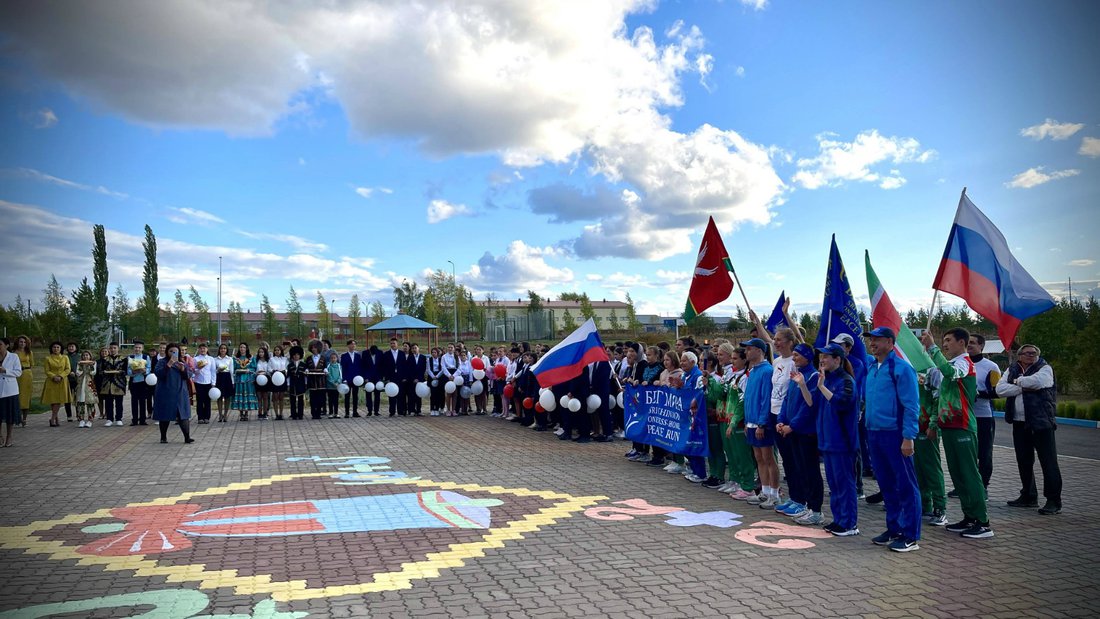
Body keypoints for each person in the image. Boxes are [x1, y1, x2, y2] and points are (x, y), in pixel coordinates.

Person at [921, 327, 992, 539]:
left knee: (969, 474)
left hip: (963, 426)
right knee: (958, 476)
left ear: (962, 343)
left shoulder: (965, 363)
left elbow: (950, 373)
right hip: (948, 426)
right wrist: (934, 423)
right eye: (943, 340)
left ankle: (983, 522)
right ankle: (969, 517)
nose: (944, 344)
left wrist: (932, 348)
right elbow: (939, 396)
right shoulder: (950, 364)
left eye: (949, 340)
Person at [863, 327, 922, 552]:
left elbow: (911, 405)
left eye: (877, 340)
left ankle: (910, 535)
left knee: (906, 485)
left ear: (890, 342)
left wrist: (908, 437)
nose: (873, 343)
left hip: (895, 433)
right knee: (886, 485)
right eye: (871, 339)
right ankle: (894, 528)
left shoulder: (901, 368)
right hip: (874, 432)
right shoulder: (872, 367)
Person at [996, 343, 1062, 515]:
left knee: (1048, 462)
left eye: (1034, 353)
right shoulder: (1012, 369)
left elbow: (1039, 382)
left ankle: (1054, 500)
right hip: (1019, 422)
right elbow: (1000, 389)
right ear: (1020, 356)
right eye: (1027, 353)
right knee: (1024, 461)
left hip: (1041, 422)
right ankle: (1028, 495)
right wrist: (1024, 387)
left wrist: (1017, 382)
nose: (1031, 355)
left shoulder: (1044, 368)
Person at [815, 342, 860, 536]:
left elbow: (843, 402)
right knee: (834, 484)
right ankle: (838, 519)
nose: (822, 359)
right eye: (821, 356)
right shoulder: (826, 379)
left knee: (844, 483)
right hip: (828, 440)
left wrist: (822, 387)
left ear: (837, 359)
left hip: (842, 441)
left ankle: (849, 523)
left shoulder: (846, 380)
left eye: (826, 356)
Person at [777, 343, 824, 525]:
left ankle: (815, 508)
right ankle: (803, 503)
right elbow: (786, 399)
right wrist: (781, 420)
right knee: (797, 468)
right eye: (794, 354)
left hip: (806, 433)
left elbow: (808, 407)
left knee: (810, 471)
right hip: (792, 431)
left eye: (797, 355)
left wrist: (793, 426)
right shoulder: (796, 375)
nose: (794, 358)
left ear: (807, 357)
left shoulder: (812, 376)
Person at [741, 338, 778, 506]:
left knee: (768, 458)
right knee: (759, 458)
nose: (746, 352)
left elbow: (765, 399)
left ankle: (774, 494)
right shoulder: (753, 371)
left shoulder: (767, 371)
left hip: (762, 423)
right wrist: (747, 421)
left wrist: (762, 423)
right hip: (752, 422)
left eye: (749, 349)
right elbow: (749, 398)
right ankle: (765, 490)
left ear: (759, 351)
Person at [967, 333, 1001, 493]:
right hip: (963, 416)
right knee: (967, 453)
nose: (969, 345)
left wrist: (978, 394)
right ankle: (965, 485)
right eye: (967, 342)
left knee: (984, 453)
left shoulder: (991, 367)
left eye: (973, 343)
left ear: (981, 346)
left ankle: (982, 487)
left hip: (983, 416)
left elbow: (998, 391)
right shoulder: (959, 364)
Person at [915, 368, 948, 526]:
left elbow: (938, 398)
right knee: (918, 469)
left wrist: (933, 424)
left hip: (927, 427)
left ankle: (940, 508)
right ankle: (925, 505)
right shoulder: (910, 367)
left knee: (932, 469)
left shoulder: (933, 370)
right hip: (914, 426)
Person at [152, 343, 194, 444]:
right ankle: (163, 437)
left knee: (183, 415)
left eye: (175, 351)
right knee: (164, 415)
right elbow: (158, 373)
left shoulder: (182, 362)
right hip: (165, 392)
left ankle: (187, 437)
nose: (173, 353)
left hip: (180, 392)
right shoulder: (162, 362)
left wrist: (183, 369)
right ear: (167, 352)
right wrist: (168, 365)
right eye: (171, 351)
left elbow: (189, 375)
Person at [41, 342, 72, 427]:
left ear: (61, 349)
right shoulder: (48, 358)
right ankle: (56, 418)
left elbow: (68, 369)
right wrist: (54, 376)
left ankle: (52, 419)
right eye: (54, 347)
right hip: (51, 381)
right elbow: (47, 370)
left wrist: (61, 376)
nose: (56, 349)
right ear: (51, 348)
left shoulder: (65, 357)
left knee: (58, 400)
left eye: (58, 347)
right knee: (53, 400)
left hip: (62, 381)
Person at [0, 337, 24, 447]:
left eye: (0, 344)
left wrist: (5, 370)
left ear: (6, 345)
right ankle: (0, 436)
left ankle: (9, 436)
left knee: (9, 415)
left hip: (10, 390)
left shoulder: (13, 357)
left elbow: (18, 372)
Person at [100, 343, 127, 426]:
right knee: (108, 402)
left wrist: (121, 372)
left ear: (118, 349)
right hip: (108, 383)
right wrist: (104, 372)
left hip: (119, 383)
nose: (113, 350)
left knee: (119, 402)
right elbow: (101, 370)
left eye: (114, 348)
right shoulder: (105, 359)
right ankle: (109, 419)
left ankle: (119, 418)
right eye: (111, 348)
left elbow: (126, 371)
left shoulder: (123, 359)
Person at [125, 341, 151, 426]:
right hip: (134, 382)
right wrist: (133, 372)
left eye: (139, 347)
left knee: (143, 401)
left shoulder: (146, 357)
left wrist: (145, 371)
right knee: (134, 401)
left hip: (143, 382)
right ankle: (134, 420)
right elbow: (128, 370)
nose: (137, 349)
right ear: (134, 348)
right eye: (136, 347)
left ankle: (143, 419)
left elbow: (149, 368)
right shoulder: (130, 357)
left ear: (142, 348)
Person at [379, 338, 405, 417]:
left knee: (400, 394)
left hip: (400, 377)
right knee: (391, 394)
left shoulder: (402, 353)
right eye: (391, 343)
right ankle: (392, 411)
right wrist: (386, 378)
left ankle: (400, 411)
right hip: (391, 377)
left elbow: (405, 366)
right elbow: (384, 366)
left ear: (397, 344)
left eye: (394, 343)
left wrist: (404, 377)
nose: (392, 345)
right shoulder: (386, 354)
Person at [191, 343, 216, 424]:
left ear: (207, 349)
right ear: (198, 349)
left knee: (207, 401)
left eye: (204, 348)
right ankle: (200, 417)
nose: (202, 350)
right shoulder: (195, 359)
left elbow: (213, 371)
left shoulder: (211, 359)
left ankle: (207, 417)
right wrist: (199, 368)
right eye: (201, 348)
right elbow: (193, 371)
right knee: (200, 400)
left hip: (208, 382)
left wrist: (213, 383)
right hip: (198, 382)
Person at [232, 343, 258, 421]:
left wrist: (249, 370)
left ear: (246, 348)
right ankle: (241, 413)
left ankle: (246, 413)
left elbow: (254, 368)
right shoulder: (235, 359)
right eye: (241, 347)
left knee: (246, 395)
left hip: (248, 380)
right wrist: (237, 371)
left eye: (244, 347)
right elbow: (233, 368)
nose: (242, 348)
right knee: (240, 395)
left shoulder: (251, 358)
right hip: (239, 380)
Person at [304, 340, 328, 420]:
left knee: (320, 398)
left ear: (318, 348)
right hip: (312, 380)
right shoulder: (308, 358)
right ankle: (313, 413)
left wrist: (325, 370)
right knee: (313, 398)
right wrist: (306, 370)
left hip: (321, 381)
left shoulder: (323, 358)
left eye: (315, 347)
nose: (313, 349)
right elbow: (306, 367)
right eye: (312, 348)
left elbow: (325, 366)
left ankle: (319, 412)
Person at [74, 350, 97, 427]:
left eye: (87, 355)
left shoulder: (94, 363)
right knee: (80, 402)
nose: (85, 357)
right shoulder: (79, 363)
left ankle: (90, 420)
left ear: (90, 356)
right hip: (81, 383)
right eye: (84, 355)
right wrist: (81, 366)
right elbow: (78, 373)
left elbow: (93, 372)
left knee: (90, 402)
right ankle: (81, 420)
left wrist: (90, 365)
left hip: (89, 383)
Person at [340, 340, 363, 418]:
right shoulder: (344, 356)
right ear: (348, 346)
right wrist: (344, 379)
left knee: (355, 396)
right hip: (347, 379)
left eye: (354, 344)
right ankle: (347, 413)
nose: (353, 346)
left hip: (356, 380)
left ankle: (355, 412)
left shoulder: (358, 356)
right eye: (351, 344)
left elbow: (360, 367)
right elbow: (342, 368)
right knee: (347, 396)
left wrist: (360, 378)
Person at [213, 344, 235, 422]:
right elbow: (213, 371)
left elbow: (231, 371)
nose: (223, 350)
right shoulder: (215, 359)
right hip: (219, 377)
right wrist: (218, 370)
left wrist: (232, 382)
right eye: (221, 348)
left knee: (227, 397)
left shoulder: (230, 359)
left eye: (224, 348)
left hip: (227, 377)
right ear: (219, 350)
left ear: (226, 350)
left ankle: (225, 415)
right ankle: (220, 415)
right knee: (219, 396)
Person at [405, 343, 427, 416]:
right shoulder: (409, 357)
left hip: (420, 379)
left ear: (418, 348)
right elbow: (408, 370)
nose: (414, 349)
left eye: (415, 348)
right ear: (411, 350)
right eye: (413, 348)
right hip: (412, 380)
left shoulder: (423, 357)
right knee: (412, 395)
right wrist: (413, 378)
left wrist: (418, 379)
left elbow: (423, 369)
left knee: (419, 395)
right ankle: (412, 410)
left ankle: (419, 410)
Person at [269, 344, 289, 420]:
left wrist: (285, 371)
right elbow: (269, 368)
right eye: (275, 350)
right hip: (275, 377)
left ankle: (281, 414)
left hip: (282, 377)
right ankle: (276, 414)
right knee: (275, 397)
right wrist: (273, 371)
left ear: (281, 351)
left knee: (281, 397)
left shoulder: (284, 359)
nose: (277, 351)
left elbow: (287, 367)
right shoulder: (271, 359)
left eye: (278, 350)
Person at [287, 345, 307, 420]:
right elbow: (288, 376)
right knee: (292, 400)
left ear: (300, 355)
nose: (296, 356)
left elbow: (305, 376)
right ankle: (293, 414)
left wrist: (306, 383)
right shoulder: (290, 365)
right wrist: (288, 385)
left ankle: (300, 414)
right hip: (293, 383)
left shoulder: (303, 365)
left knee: (301, 400)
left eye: (298, 354)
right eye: (294, 355)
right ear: (292, 355)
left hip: (301, 383)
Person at [254, 346, 272, 420]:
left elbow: (270, 370)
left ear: (265, 353)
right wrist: (257, 373)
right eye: (259, 352)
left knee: (265, 397)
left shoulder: (268, 361)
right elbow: (254, 370)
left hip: (266, 379)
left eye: (262, 352)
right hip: (258, 379)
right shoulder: (256, 361)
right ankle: (259, 413)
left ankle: (265, 413)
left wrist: (265, 372)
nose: (261, 353)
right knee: (259, 397)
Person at [427, 347, 445, 416]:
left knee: (438, 394)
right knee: (433, 394)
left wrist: (437, 376)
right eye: (432, 352)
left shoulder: (441, 360)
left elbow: (442, 369)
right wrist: (433, 376)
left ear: (437, 353)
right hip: (432, 376)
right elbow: (428, 369)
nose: (433, 354)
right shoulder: (429, 360)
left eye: (435, 352)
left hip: (439, 377)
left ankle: (437, 408)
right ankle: (432, 409)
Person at [64, 342, 79, 422]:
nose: (71, 348)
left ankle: (79, 414)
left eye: (72, 346)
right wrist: (69, 373)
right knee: (67, 398)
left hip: (77, 380)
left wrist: (76, 373)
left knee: (78, 398)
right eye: (69, 346)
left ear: (76, 348)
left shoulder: (79, 357)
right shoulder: (64, 357)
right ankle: (69, 415)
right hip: (67, 380)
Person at [326, 350, 343, 419]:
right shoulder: (328, 366)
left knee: (336, 400)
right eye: (332, 358)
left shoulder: (339, 366)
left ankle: (336, 413)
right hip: (330, 386)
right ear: (330, 359)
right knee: (330, 399)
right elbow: (328, 376)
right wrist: (333, 383)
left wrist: (338, 382)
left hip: (337, 386)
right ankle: (330, 413)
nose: (333, 359)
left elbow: (340, 375)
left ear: (337, 358)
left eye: (334, 358)